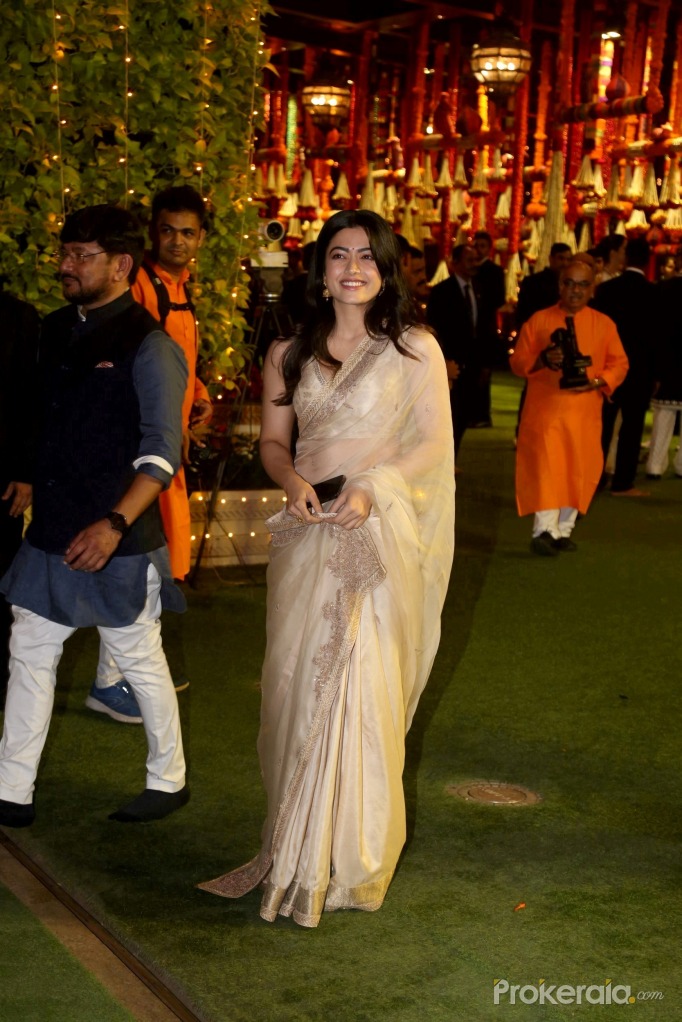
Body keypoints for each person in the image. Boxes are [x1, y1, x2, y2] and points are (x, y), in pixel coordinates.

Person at [198, 209, 454, 926]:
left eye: (368, 256)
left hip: (376, 533)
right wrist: (289, 481)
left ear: (387, 270)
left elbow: (432, 446)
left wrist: (372, 486)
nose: (353, 268)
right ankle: (296, 843)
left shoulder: (415, 349)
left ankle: (352, 857)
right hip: (306, 533)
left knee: (363, 686)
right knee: (294, 684)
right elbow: (274, 443)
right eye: (339, 255)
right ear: (319, 269)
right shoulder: (289, 352)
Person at [0, 205, 190, 827]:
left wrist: (114, 523)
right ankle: (11, 790)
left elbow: (162, 452)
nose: (66, 265)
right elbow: (43, 418)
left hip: (119, 536)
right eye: (65, 253)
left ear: (121, 264)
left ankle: (168, 780)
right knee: (30, 651)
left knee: (137, 656)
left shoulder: (150, 344)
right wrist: (28, 472)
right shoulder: (54, 329)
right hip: (51, 529)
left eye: (81, 256)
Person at [87, 186, 212, 722]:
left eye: (187, 233)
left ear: (200, 239)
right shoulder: (137, 284)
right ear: (152, 233)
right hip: (142, 453)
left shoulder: (178, 288)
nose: (177, 241)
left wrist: (197, 395)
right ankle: (114, 679)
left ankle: (128, 672)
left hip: (162, 453)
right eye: (168, 231)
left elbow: (176, 362)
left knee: (152, 565)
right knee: (139, 564)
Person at [511, 258, 628, 556]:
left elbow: (620, 364)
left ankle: (563, 530)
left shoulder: (604, 324)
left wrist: (597, 381)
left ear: (592, 289)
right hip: (546, 413)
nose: (575, 290)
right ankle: (544, 531)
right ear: (559, 286)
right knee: (548, 469)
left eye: (582, 285)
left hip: (585, 414)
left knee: (579, 470)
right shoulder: (538, 320)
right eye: (569, 283)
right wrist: (542, 360)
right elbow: (518, 362)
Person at [591, 237, 656, 496]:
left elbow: (596, 331)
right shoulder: (653, 293)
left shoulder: (607, 290)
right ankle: (623, 482)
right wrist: (656, 374)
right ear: (648, 260)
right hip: (640, 370)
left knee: (603, 424)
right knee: (632, 426)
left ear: (626, 257)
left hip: (609, 367)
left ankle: (594, 478)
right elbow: (657, 338)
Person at [0, 292, 40, 710]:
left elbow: (31, 399)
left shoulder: (18, 316)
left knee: (0, 582)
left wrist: (27, 473)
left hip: (4, 479)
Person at [427, 242, 486, 454]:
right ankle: (445, 459)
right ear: (455, 263)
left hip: (473, 363)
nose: (474, 264)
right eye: (469, 260)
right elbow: (435, 329)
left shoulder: (479, 288)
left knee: (464, 415)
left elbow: (482, 327)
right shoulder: (442, 291)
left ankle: (453, 458)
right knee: (449, 414)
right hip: (450, 363)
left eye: (476, 260)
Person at [646, 269, 682, 479]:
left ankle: (655, 465)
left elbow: (655, 328)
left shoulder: (664, 288)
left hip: (667, 361)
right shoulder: (665, 287)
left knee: (663, 417)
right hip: (670, 359)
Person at [471, 230, 506, 427]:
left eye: (482, 246)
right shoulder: (471, 269)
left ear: (489, 249)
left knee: (484, 372)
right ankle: (474, 413)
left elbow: (498, 298)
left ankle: (483, 414)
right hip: (475, 327)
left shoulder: (493, 270)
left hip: (486, 327)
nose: (478, 250)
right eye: (476, 245)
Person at [515, 243, 572, 330]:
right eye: (561, 258)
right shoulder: (532, 282)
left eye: (568, 260)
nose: (565, 263)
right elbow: (523, 314)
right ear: (551, 259)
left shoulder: (571, 284)